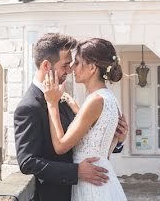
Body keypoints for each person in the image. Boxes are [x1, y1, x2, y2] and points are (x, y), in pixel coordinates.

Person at [14, 33, 128, 201]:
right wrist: (76, 172)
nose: (70, 69)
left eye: (74, 63)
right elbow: (28, 162)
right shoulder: (28, 107)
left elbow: (85, 139)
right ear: (46, 66)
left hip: (88, 190)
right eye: (66, 65)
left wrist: (118, 140)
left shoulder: (65, 99)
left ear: (92, 68)